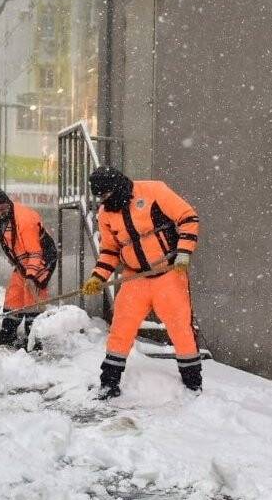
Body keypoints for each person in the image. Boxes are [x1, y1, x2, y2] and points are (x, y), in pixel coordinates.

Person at [80, 167, 201, 400]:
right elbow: (109, 251)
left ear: (117, 187)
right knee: (120, 330)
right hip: (134, 277)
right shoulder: (106, 213)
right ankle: (109, 383)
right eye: (100, 198)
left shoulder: (154, 190)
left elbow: (188, 218)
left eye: (106, 195)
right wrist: (98, 277)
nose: (104, 201)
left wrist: (184, 252)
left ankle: (193, 385)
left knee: (180, 329)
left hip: (168, 273)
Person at [0, 188, 58, 349]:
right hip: (23, 261)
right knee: (14, 295)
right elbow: (11, 242)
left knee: (32, 296)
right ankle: (7, 334)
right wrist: (14, 259)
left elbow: (35, 252)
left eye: (3, 209)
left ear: (8, 203)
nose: (0, 213)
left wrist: (32, 277)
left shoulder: (25, 220)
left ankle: (34, 340)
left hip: (43, 257)